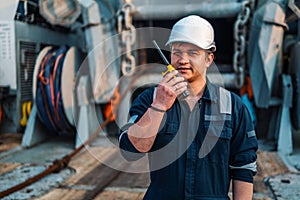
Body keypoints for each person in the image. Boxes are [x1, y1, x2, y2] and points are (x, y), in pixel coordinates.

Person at [119, 15, 258, 200]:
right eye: (177, 52)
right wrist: (159, 105)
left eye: (193, 53)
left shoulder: (232, 106)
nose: (183, 60)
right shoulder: (150, 99)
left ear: (209, 59)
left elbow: (243, 167)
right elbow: (131, 150)